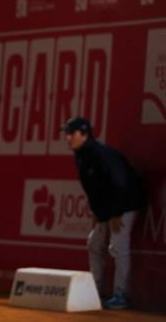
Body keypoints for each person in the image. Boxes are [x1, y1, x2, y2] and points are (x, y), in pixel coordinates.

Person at [62, 117, 145, 310]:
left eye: (71, 133)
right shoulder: (81, 155)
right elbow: (94, 188)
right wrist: (97, 212)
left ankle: (121, 295)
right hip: (109, 206)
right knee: (94, 242)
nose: (67, 138)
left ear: (84, 134)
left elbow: (121, 182)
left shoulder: (101, 154)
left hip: (127, 201)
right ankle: (95, 291)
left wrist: (116, 212)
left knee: (117, 245)